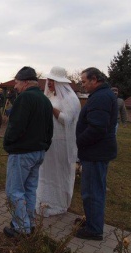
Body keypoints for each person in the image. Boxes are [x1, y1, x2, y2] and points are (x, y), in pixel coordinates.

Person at [3, 66, 53, 237]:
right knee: (30, 189)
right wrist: (44, 146)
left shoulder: (25, 98)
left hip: (22, 153)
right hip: (38, 152)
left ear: (24, 82)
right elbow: (50, 128)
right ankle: (29, 223)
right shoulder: (45, 100)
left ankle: (21, 228)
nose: (15, 86)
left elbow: (15, 127)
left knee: (14, 191)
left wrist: (8, 144)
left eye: (16, 82)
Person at [75, 67, 117, 241]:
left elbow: (97, 128)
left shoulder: (100, 98)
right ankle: (92, 221)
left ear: (94, 79)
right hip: (97, 152)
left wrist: (79, 141)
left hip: (95, 153)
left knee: (92, 192)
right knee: (93, 190)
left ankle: (94, 229)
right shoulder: (102, 95)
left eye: (84, 81)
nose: (82, 85)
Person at [36, 66, 81, 217]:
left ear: (61, 83)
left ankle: (59, 202)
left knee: (59, 172)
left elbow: (67, 120)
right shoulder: (51, 97)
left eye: (53, 81)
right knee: (46, 171)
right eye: (49, 80)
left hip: (62, 142)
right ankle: (44, 198)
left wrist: (51, 109)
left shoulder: (70, 99)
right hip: (49, 140)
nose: (49, 83)